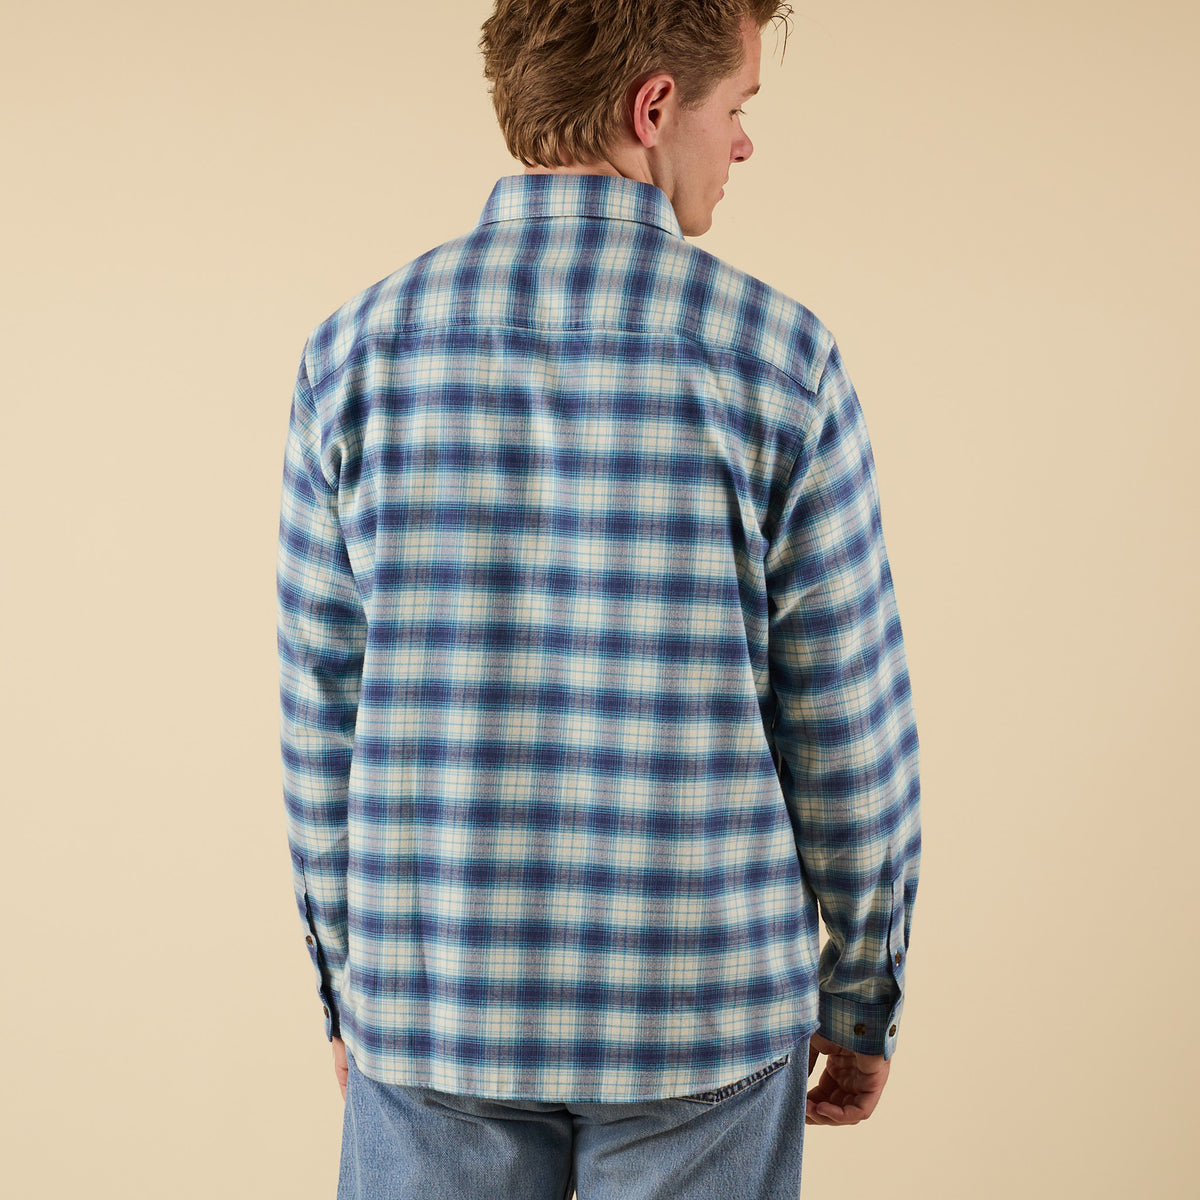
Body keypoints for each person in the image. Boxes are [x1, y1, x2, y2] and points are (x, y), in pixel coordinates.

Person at [276, 1, 921, 1195]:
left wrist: (349, 982)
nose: (740, 146)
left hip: (435, 1004)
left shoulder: (356, 352)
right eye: (735, 110)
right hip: (702, 1016)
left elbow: (323, 714)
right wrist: (863, 992)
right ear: (654, 108)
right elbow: (848, 727)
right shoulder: (780, 358)